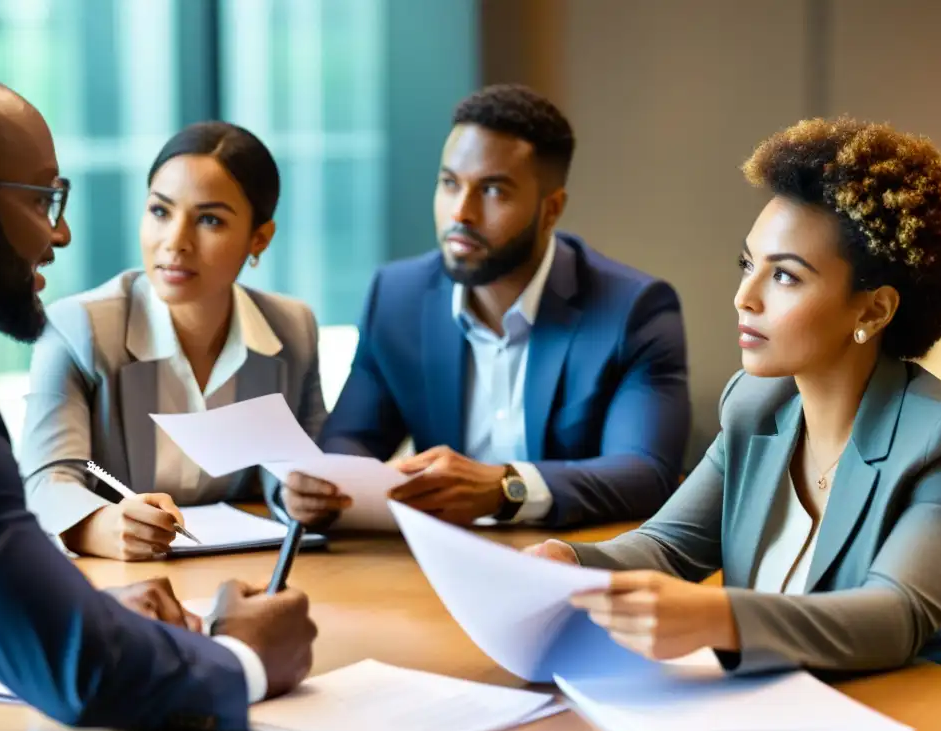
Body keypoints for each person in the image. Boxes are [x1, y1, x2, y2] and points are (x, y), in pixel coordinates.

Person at [0, 64, 316, 731]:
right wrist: (241, 655)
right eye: (44, 201)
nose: (61, 233)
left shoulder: (291, 325)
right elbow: (81, 672)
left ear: (258, 239)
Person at [529, 116, 941, 675]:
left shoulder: (932, 439)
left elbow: (896, 616)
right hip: (756, 721)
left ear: (873, 309)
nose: (744, 298)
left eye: (786, 277)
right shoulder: (755, 405)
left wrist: (719, 616)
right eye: (749, 265)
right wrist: (568, 562)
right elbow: (667, 549)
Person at [283, 84, 690, 531]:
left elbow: (646, 472)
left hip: (571, 563)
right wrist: (320, 487)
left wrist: (506, 487)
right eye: (449, 183)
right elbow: (351, 437)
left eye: (493, 191)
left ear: (550, 209)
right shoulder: (397, 296)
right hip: (435, 563)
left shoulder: (633, 310)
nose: (462, 213)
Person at [19, 121, 326, 560]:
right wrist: (100, 525)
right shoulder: (78, 328)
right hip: (120, 582)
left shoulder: (291, 329)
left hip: (247, 567)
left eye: (209, 220)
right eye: (160, 211)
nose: (175, 242)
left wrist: (305, 496)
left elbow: (307, 471)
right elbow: (45, 480)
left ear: (260, 238)